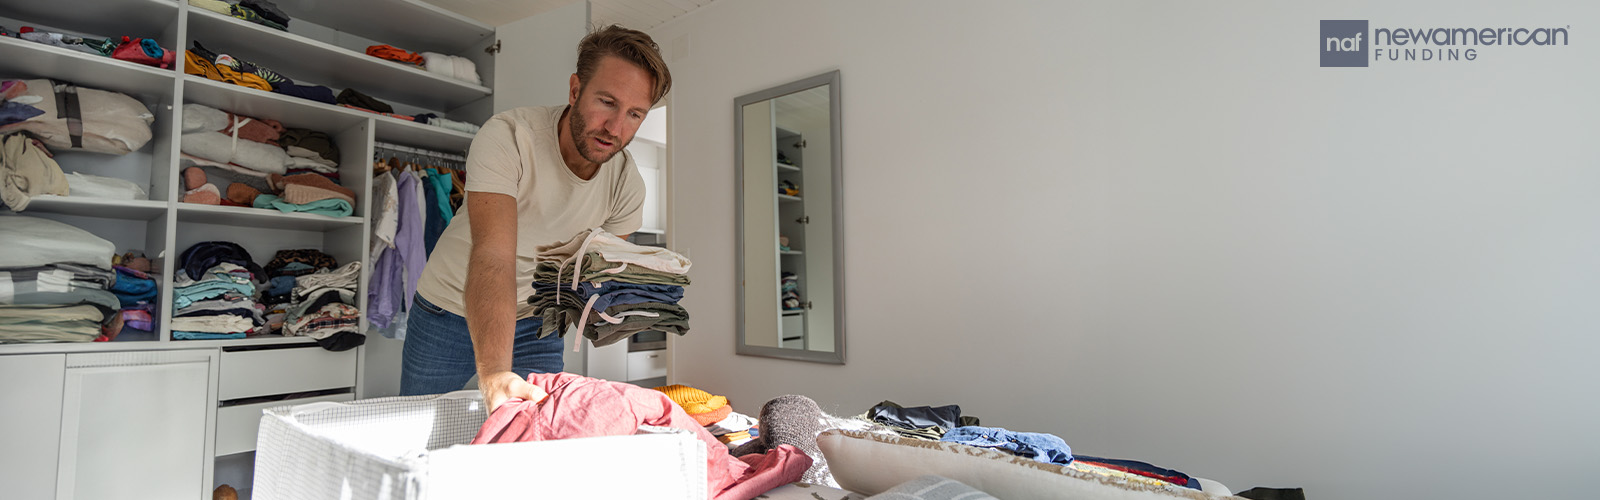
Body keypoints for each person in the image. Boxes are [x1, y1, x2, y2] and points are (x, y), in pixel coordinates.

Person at [400, 25, 672, 411]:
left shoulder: (627, 186)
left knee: (536, 434)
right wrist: (494, 373)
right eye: (607, 102)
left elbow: (593, 276)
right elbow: (494, 254)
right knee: (417, 429)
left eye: (634, 114)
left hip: (538, 321)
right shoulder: (509, 137)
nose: (616, 129)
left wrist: (627, 299)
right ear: (576, 89)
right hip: (449, 309)